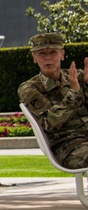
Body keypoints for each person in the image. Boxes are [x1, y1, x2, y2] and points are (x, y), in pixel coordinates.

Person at [17, 32, 88, 169]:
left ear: (62, 55)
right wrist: (73, 92)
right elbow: (49, 122)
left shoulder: (76, 76)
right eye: (42, 54)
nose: (48, 58)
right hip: (68, 146)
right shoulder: (30, 88)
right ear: (34, 58)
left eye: (53, 53)